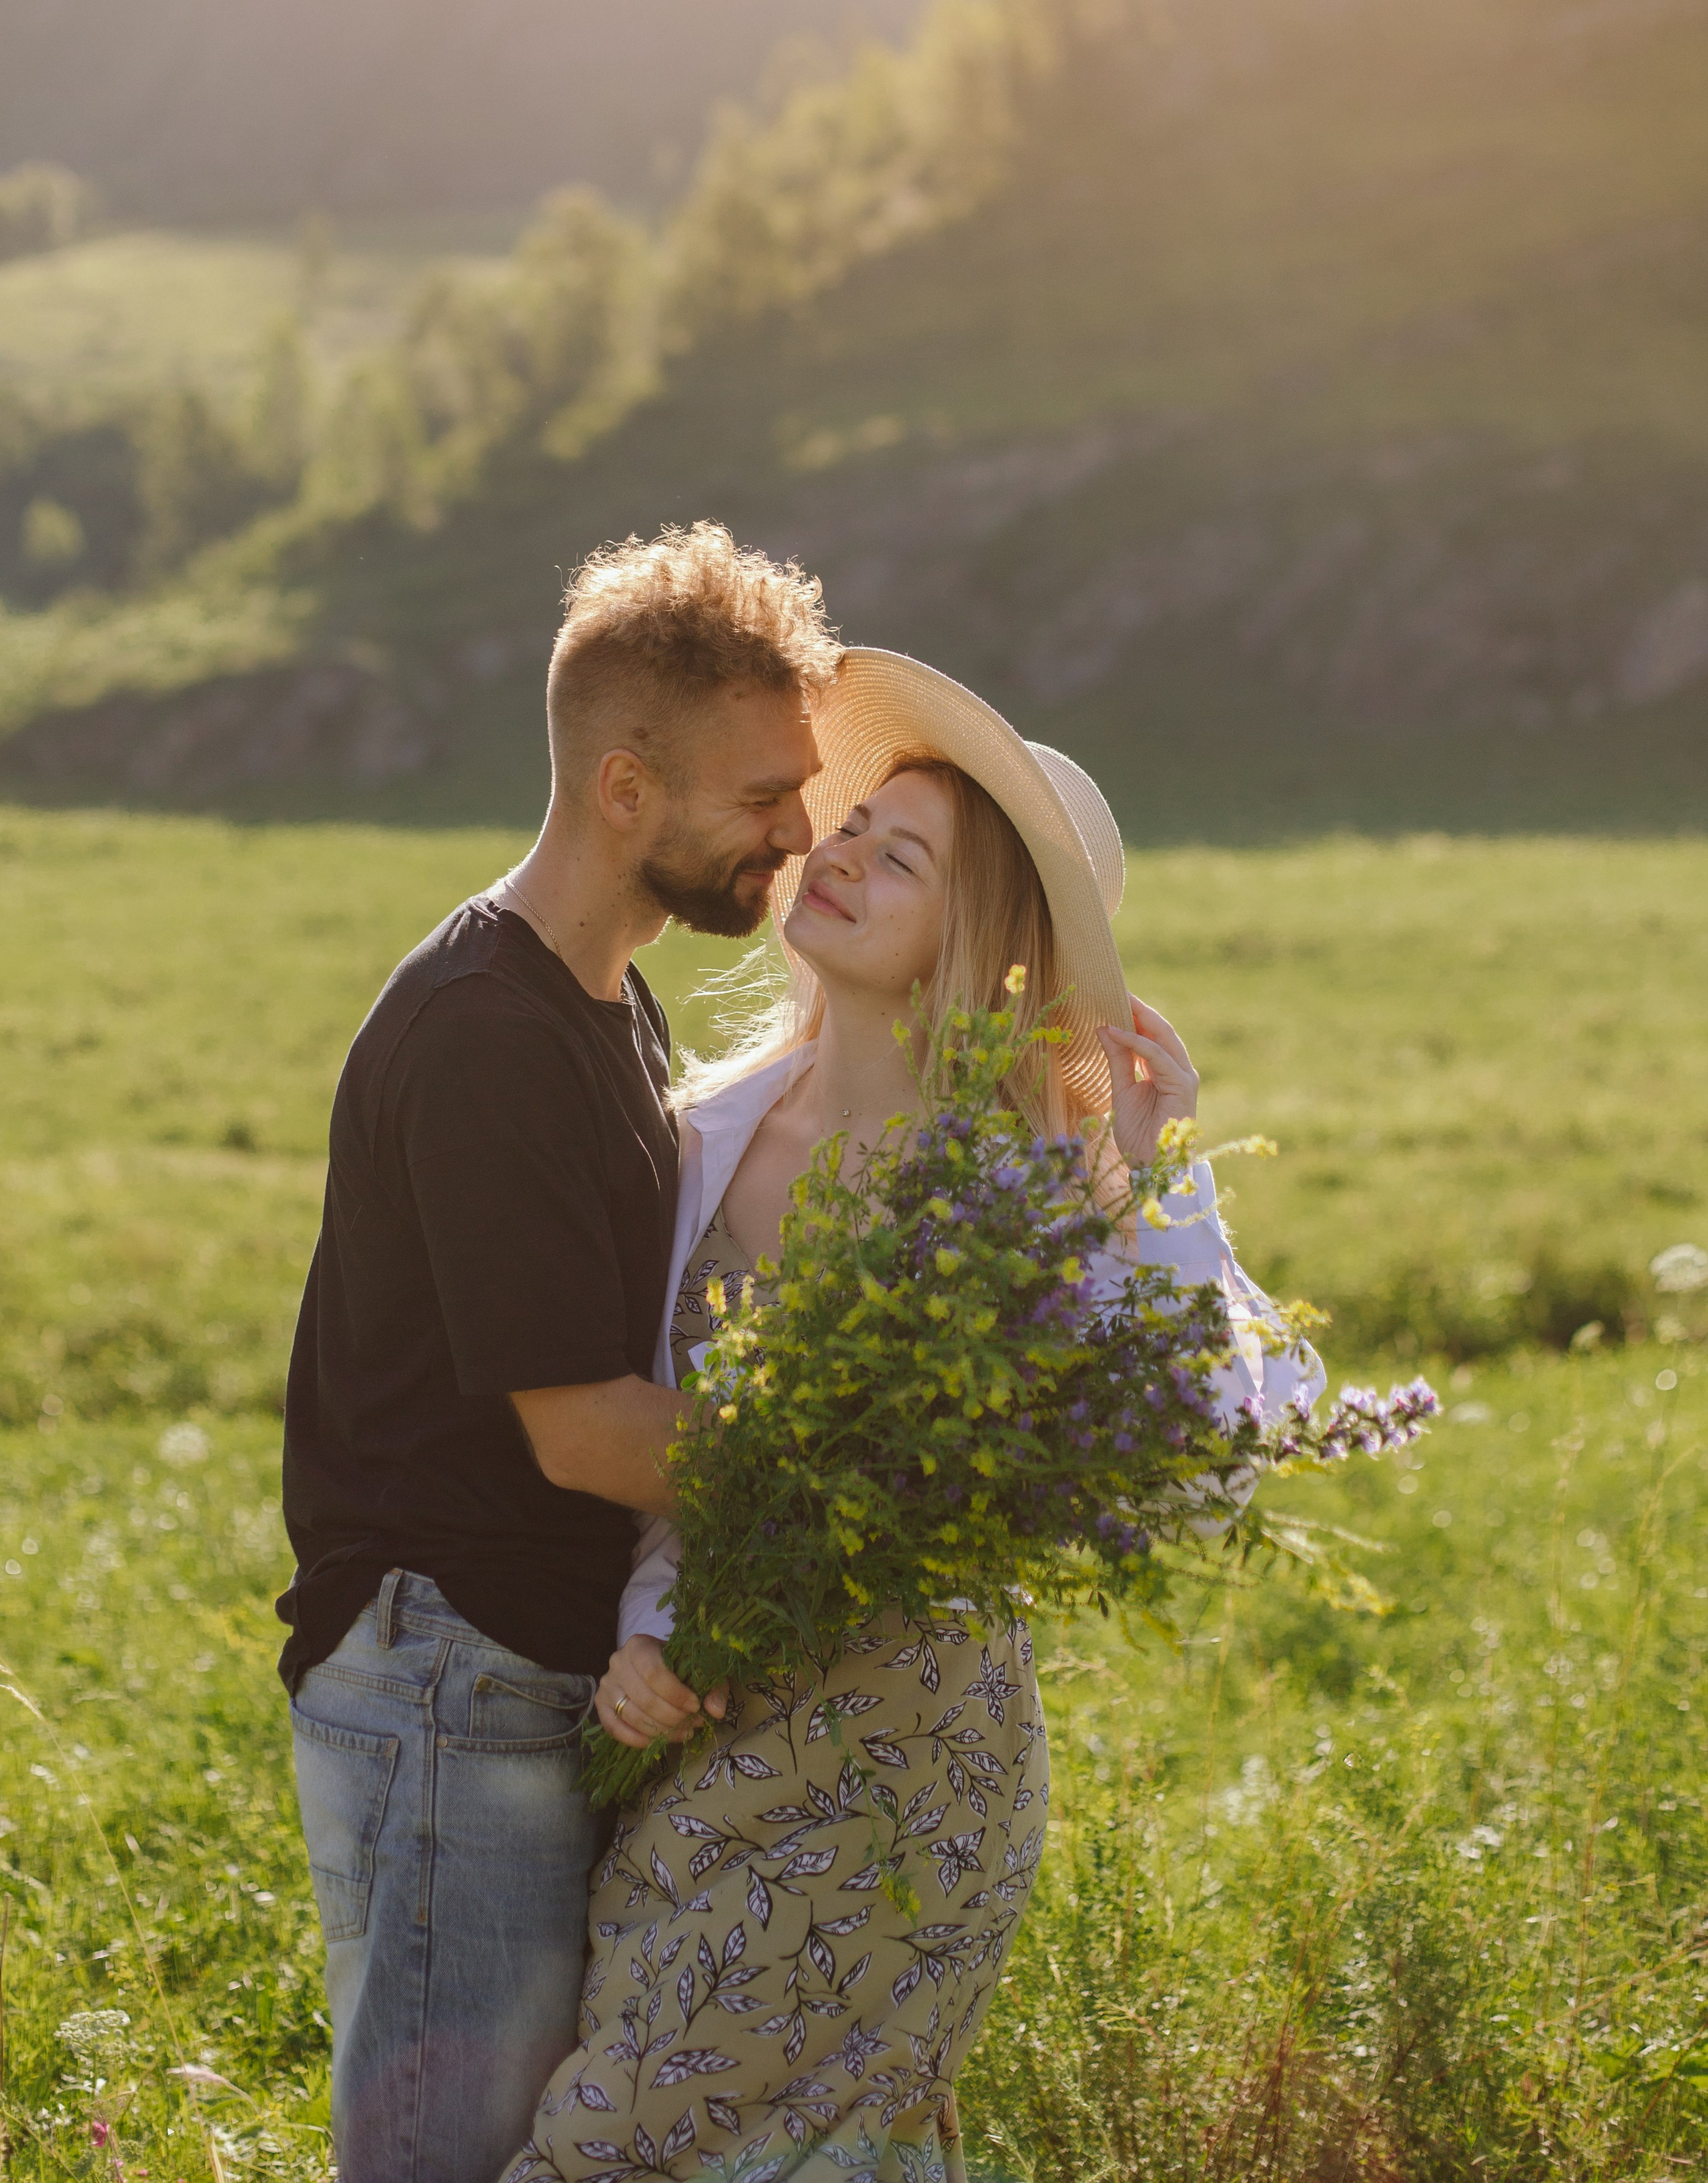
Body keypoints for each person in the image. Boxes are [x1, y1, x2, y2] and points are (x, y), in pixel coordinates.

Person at [504, 649, 1324, 2183]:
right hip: (699, 1744)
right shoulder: (690, 1139)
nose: (843, 854)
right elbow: (670, 1462)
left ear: (983, 935)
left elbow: (1228, 1439)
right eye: (849, 822)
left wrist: (1157, 1185)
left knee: (619, 2145)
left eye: (906, 854)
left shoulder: (1021, 1190)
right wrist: (647, 1627)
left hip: (908, 1771)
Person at [277, 524, 844, 2183]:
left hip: (517, 1677)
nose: (796, 837)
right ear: (621, 789)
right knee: (444, 2159)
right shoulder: (485, 1039)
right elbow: (588, 1432)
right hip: (451, 1677)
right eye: (760, 797)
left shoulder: (607, 1000)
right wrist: (861, 1494)